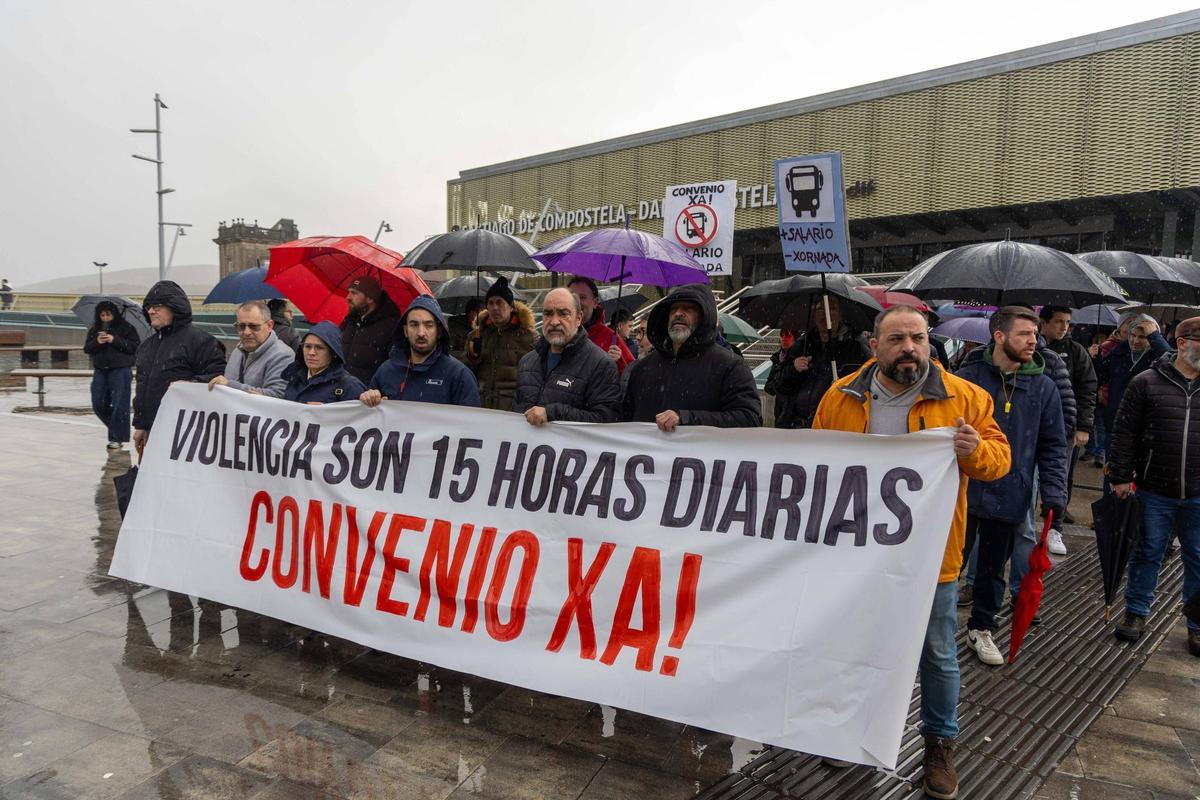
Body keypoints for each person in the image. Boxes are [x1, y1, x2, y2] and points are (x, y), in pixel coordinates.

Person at [811, 305, 1010, 799]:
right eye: (897, 339)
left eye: (918, 338)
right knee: (851, 644)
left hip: (932, 557)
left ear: (929, 341)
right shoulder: (840, 397)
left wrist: (975, 453)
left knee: (937, 654)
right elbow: (814, 463)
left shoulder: (966, 398)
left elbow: (1000, 460)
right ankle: (845, 732)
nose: (909, 348)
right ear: (873, 345)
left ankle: (940, 744)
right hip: (855, 552)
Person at [956, 307, 1067, 666]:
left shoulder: (1044, 387)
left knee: (992, 569)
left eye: (1035, 334)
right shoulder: (967, 377)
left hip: (1010, 492)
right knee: (946, 563)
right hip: (962, 491)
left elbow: (1052, 445)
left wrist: (1054, 493)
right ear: (999, 336)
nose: (1033, 340)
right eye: (1024, 334)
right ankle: (929, 624)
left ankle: (982, 627)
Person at [1108, 316, 1200, 657]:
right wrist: (1119, 476)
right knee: (1147, 552)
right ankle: (1136, 613)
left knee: (1199, 558)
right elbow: (1124, 432)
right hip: (1153, 488)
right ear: (1182, 343)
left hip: (1198, 492)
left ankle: (1197, 626)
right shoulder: (1146, 382)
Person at [621, 283, 761, 430]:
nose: (678, 313)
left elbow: (749, 418)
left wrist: (686, 419)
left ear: (705, 317)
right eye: (673, 309)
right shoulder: (643, 368)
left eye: (689, 308)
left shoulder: (731, 366)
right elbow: (625, 420)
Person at [132, 280, 227, 455]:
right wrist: (141, 424)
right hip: (153, 431)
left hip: (186, 435)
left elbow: (217, 378)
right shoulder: (145, 346)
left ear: (175, 308)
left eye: (158, 306)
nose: (151, 311)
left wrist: (188, 385)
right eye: (149, 307)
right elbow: (143, 387)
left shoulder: (202, 342)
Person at [513, 287, 621, 424]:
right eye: (548, 313)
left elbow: (606, 420)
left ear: (579, 318)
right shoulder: (526, 362)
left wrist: (553, 413)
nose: (554, 322)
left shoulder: (601, 365)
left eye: (563, 314)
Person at [361, 295, 480, 408]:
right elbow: (369, 419)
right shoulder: (386, 371)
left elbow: (471, 424)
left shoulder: (459, 375)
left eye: (428, 325)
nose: (421, 333)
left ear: (438, 331)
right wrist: (368, 399)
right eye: (414, 325)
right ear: (405, 331)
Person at [772, 297, 872, 429]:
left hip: (834, 426)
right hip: (796, 428)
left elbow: (869, 386)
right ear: (813, 314)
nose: (826, 314)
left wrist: (842, 387)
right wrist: (793, 369)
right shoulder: (802, 344)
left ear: (841, 314)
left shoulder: (857, 347)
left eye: (832, 308)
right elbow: (778, 386)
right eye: (820, 308)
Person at [1040, 305, 1098, 530]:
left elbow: (1087, 388)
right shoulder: (1033, 348)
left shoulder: (1075, 351)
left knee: (1061, 474)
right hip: (1035, 422)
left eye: (1067, 322)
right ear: (1043, 323)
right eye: (1058, 321)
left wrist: (1084, 426)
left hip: (1064, 425)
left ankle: (1056, 523)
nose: (1064, 327)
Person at [1093, 313, 1169, 486]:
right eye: (1132, 335)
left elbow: (1171, 360)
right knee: (1113, 471)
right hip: (1116, 422)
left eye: (1142, 337)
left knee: (1139, 476)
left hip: (1145, 426)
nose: (1135, 341)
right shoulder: (1119, 352)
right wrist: (1095, 358)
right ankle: (1111, 509)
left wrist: (1155, 337)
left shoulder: (1157, 358)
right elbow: (1099, 377)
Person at [464, 277, 537, 411]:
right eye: (490, 303)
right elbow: (466, 373)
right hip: (481, 407)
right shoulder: (476, 335)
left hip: (512, 411)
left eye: (499, 302)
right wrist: (472, 356)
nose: (495, 307)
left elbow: (535, 378)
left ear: (510, 307)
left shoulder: (528, 337)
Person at [83, 300, 140, 450]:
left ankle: (116, 438)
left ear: (114, 314)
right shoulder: (95, 329)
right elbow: (87, 349)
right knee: (98, 403)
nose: (106, 318)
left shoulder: (127, 328)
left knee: (119, 404)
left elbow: (134, 346)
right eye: (102, 315)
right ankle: (118, 430)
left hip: (121, 370)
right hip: (101, 370)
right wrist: (97, 341)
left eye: (108, 314)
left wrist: (114, 340)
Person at [208, 301, 295, 398]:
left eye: (253, 326)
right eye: (241, 326)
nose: (246, 332)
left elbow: (276, 396)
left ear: (269, 326)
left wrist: (230, 385)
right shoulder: (237, 352)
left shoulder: (283, 355)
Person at [339, 275, 402, 384]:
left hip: (369, 397)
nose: (348, 297)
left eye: (354, 293)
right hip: (341, 393)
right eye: (349, 292)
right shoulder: (349, 322)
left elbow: (394, 367)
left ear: (370, 298)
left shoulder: (392, 326)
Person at [282, 321, 366, 404]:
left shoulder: (350, 386)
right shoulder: (294, 377)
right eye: (307, 346)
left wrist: (326, 413)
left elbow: (361, 416)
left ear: (333, 352)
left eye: (319, 347)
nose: (311, 353)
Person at [567, 276, 635, 375]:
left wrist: (618, 363)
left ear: (595, 302)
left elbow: (630, 376)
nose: (577, 302)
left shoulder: (610, 338)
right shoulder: (558, 334)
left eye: (582, 297)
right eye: (572, 297)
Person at [764, 329, 800, 428]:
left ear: (795, 338)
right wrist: (778, 383)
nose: (784, 338)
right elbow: (768, 387)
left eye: (788, 336)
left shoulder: (798, 359)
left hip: (794, 414)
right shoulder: (777, 358)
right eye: (782, 335)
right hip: (780, 413)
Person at [448, 298, 482, 362]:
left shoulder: (482, 328)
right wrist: (468, 353)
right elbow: (449, 352)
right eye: (482, 312)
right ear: (473, 313)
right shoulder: (455, 327)